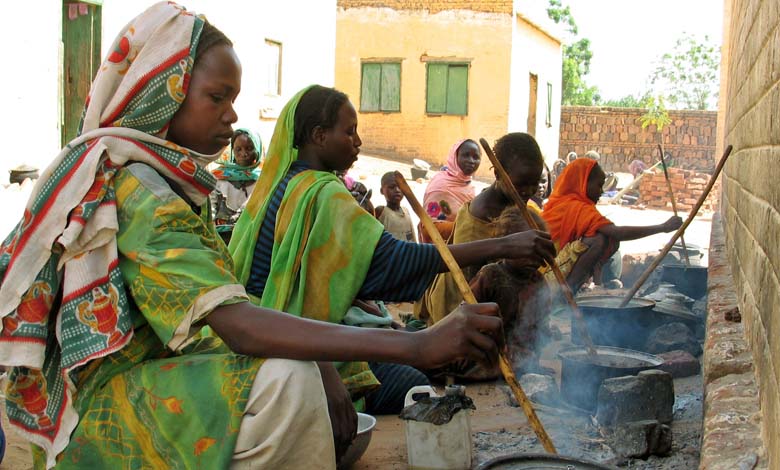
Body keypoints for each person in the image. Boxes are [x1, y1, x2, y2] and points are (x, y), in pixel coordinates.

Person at [0, 5, 510, 468]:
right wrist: (418, 344)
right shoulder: (141, 192)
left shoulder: (165, 183)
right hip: (108, 405)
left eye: (234, 98)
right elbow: (241, 325)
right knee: (288, 384)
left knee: (309, 371)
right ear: (164, 96)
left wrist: (326, 358)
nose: (232, 115)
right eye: (216, 97)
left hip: (155, 373)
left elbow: (216, 316)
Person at [228, 86, 555, 416]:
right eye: (349, 132)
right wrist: (503, 246)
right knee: (410, 383)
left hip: (266, 325)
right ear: (319, 136)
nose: (358, 142)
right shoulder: (322, 194)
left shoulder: (284, 183)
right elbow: (398, 262)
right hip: (282, 336)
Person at [415, 132, 548, 325]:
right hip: (456, 312)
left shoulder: (515, 206)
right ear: (497, 174)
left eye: (534, 184)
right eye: (520, 185)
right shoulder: (478, 219)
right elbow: (471, 292)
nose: (528, 192)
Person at [542, 158, 682, 293]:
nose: (601, 191)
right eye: (599, 185)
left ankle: (578, 287)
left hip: (552, 269)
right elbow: (617, 233)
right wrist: (663, 227)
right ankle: (566, 293)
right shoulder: (576, 206)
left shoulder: (567, 204)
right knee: (599, 239)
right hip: (545, 274)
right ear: (583, 183)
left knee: (602, 236)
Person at [459, 206, 551, 380]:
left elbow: (541, 324)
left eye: (538, 252)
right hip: (489, 352)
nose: (534, 259)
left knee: (526, 362)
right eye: (528, 252)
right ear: (507, 247)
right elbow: (465, 317)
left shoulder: (538, 281)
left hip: (523, 354)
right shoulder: (490, 275)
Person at [420, 139, 481, 242]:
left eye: (476, 157)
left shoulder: (469, 186)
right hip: (441, 252)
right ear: (454, 157)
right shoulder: (440, 186)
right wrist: (468, 228)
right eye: (466, 155)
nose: (471, 161)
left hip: (466, 249)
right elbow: (429, 228)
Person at [210, 128, 263, 227]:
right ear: (232, 150)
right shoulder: (220, 177)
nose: (244, 154)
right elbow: (211, 209)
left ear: (257, 149)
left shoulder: (263, 179)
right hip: (222, 235)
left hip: (251, 234)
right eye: (238, 149)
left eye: (249, 148)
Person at [375, 171, 416, 242]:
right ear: (382, 191)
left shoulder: (406, 211)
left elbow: (412, 238)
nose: (397, 190)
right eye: (392, 187)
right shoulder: (381, 212)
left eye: (400, 187)